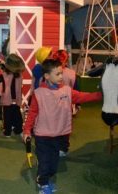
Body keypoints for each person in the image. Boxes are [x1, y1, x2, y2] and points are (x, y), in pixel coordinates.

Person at [23, 59, 102, 194]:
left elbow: (84, 97)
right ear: (47, 76)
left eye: (61, 73)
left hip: (58, 135)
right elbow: (32, 113)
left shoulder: (67, 90)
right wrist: (26, 131)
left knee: (54, 163)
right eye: (58, 74)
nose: (61, 77)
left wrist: (101, 95)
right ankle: (42, 183)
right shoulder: (39, 93)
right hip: (42, 135)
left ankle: (47, 177)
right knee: (45, 162)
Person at [0, 54, 25, 137]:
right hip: (16, 99)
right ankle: (18, 130)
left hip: (8, 99)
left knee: (7, 116)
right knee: (17, 115)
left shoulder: (5, 74)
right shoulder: (19, 75)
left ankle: (7, 132)